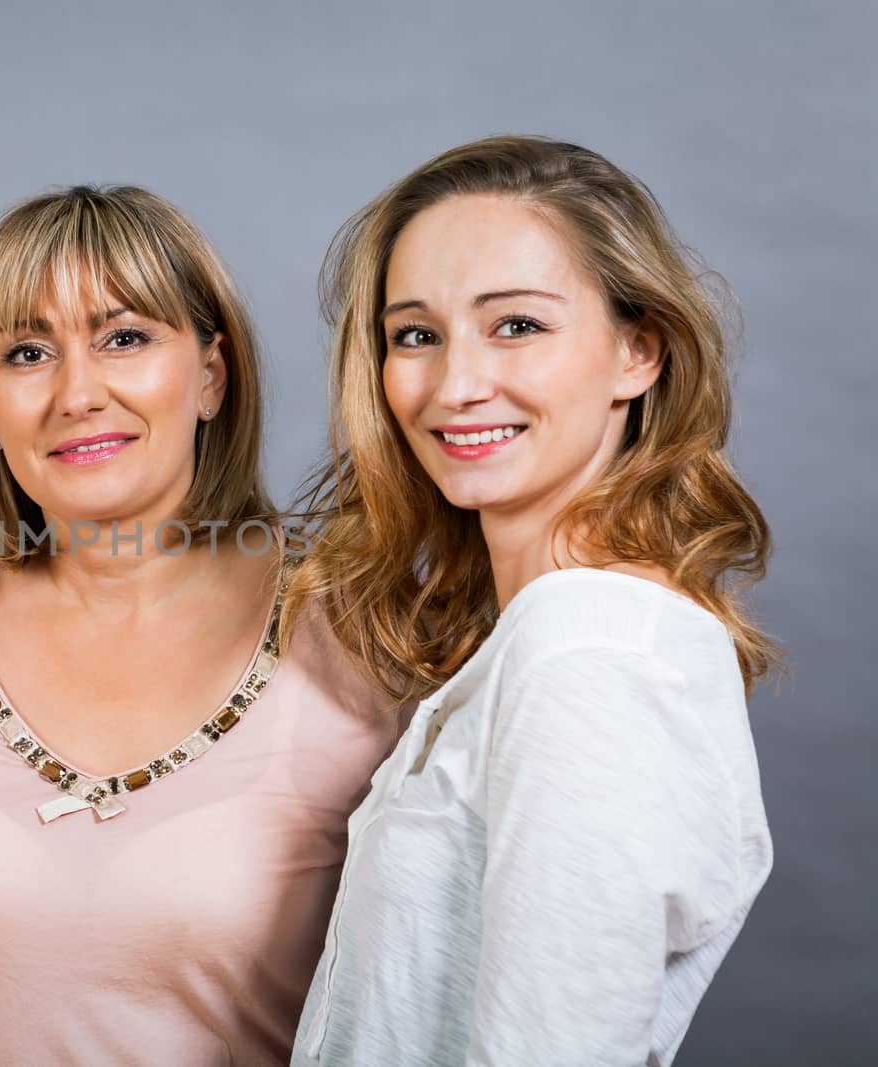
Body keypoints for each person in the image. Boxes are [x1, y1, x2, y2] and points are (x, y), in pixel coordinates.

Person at [0, 185, 398, 1065]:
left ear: (211, 377)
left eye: (126, 337)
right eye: (28, 352)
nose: (77, 391)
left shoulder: (363, 626)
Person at [288, 135, 776, 1066]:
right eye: (416, 335)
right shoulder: (536, 639)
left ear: (639, 351)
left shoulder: (586, 649)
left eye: (516, 325)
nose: (457, 385)